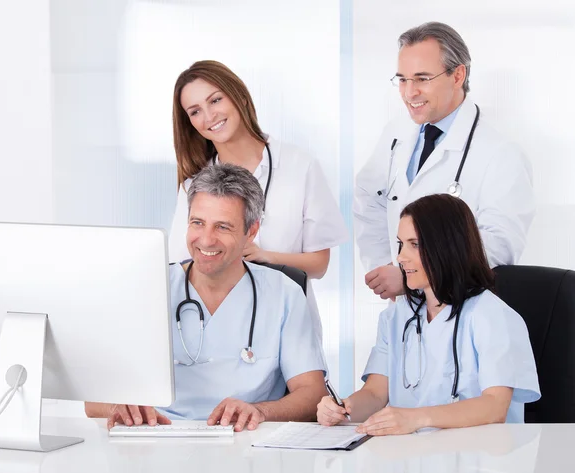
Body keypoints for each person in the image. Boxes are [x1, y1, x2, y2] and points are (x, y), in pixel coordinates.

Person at [86, 164, 327, 432]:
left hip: (244, 440)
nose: (206, 240)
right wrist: (118, 408)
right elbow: (93, 399)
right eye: (197, 223)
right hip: (158, 437)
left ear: (251, 231)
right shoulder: (147, 286)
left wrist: (259, 411)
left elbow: (313, 394)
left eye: (223, 227)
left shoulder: (284, 293)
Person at [317, 194, 540, 435]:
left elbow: (494, 407)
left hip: (479, 458)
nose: (401, 257)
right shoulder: (397, 317)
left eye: (415, 244)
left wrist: (415, 418)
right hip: (415, 456)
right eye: (400, 243)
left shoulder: (492, 315)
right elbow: (375, 393)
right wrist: (343, 409)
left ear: (447, 246)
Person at [353, 22, 535, 301]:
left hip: (460, 308)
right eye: (402, 79)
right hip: (403, 308)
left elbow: (498, 246)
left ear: (458, 75)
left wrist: (412, 275)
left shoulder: (501, 154)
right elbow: (368, 200)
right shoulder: (396, 133)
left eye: (422, 79)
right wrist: (388, 267)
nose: (409, 92)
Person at [169, 60, 348, 341]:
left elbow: (319, 265)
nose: (208, 116)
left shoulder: (299, 166)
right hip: (219, 331)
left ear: (238, 95)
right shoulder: (194, 184)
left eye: (215, 100)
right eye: (195, 111)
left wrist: (266, 257)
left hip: (288, 328)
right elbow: (179, 265)